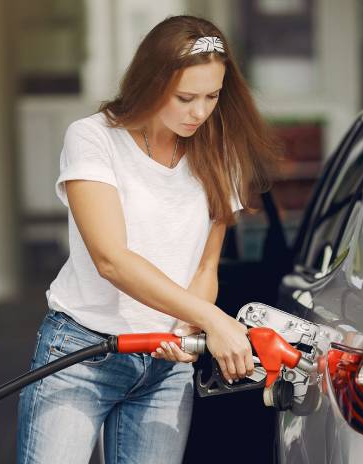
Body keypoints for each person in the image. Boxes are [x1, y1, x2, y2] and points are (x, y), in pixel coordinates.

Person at [17, 15, 280, 464]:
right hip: (82, 354)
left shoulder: (220, 150)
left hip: (167, 369)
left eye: (212, 96)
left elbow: (205, 267)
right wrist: (213, 320)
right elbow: (111, 258)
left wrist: (187, 329)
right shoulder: (94, 137)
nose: (199, 112)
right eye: (185, 97)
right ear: (151, 83)